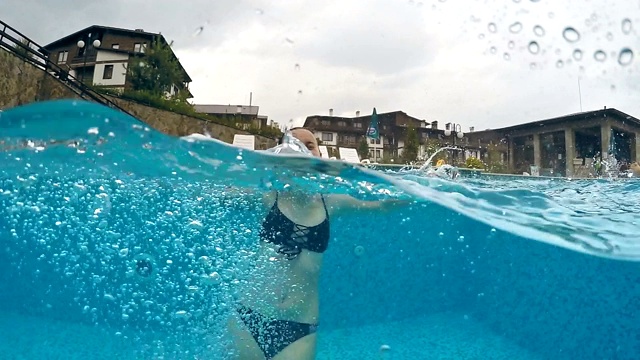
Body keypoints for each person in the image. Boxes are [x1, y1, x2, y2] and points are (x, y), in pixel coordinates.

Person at [226, 127, 411, 360]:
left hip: (299, 326)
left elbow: (382, 205)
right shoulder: (268, 194)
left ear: (319, 155)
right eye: (295, 145)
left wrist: (419, 189)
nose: (302, 150)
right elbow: (224, 192)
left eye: (309, 145)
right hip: (251, 315)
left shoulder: (331, 202)